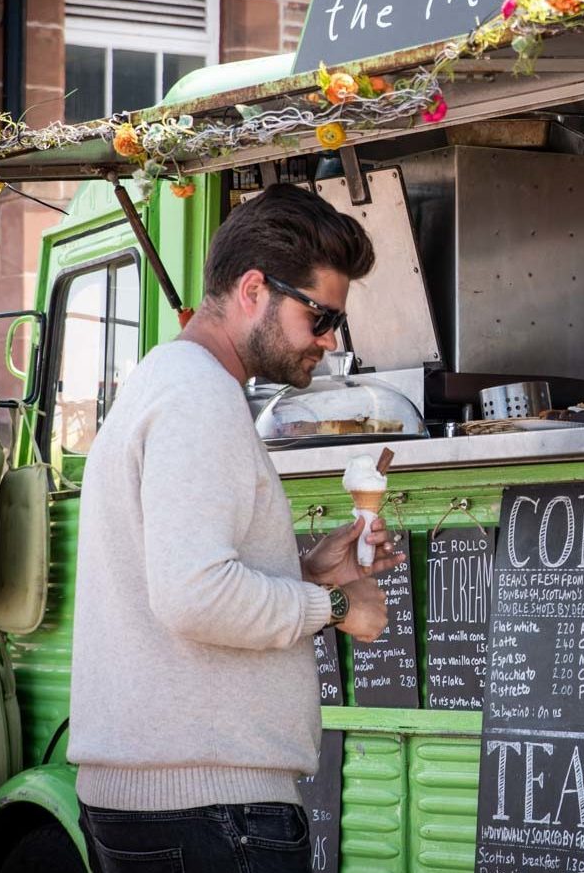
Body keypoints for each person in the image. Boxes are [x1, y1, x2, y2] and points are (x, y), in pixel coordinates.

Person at [70, 184, 404, 873]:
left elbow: (177, 575)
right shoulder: (201, 398)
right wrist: (337, 606)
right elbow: (195, 596)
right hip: (212, 814)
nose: (329, 340)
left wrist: (305, 568)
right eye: (319, 316)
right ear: (254, 288)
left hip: (168, 802)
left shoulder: (166, 380)